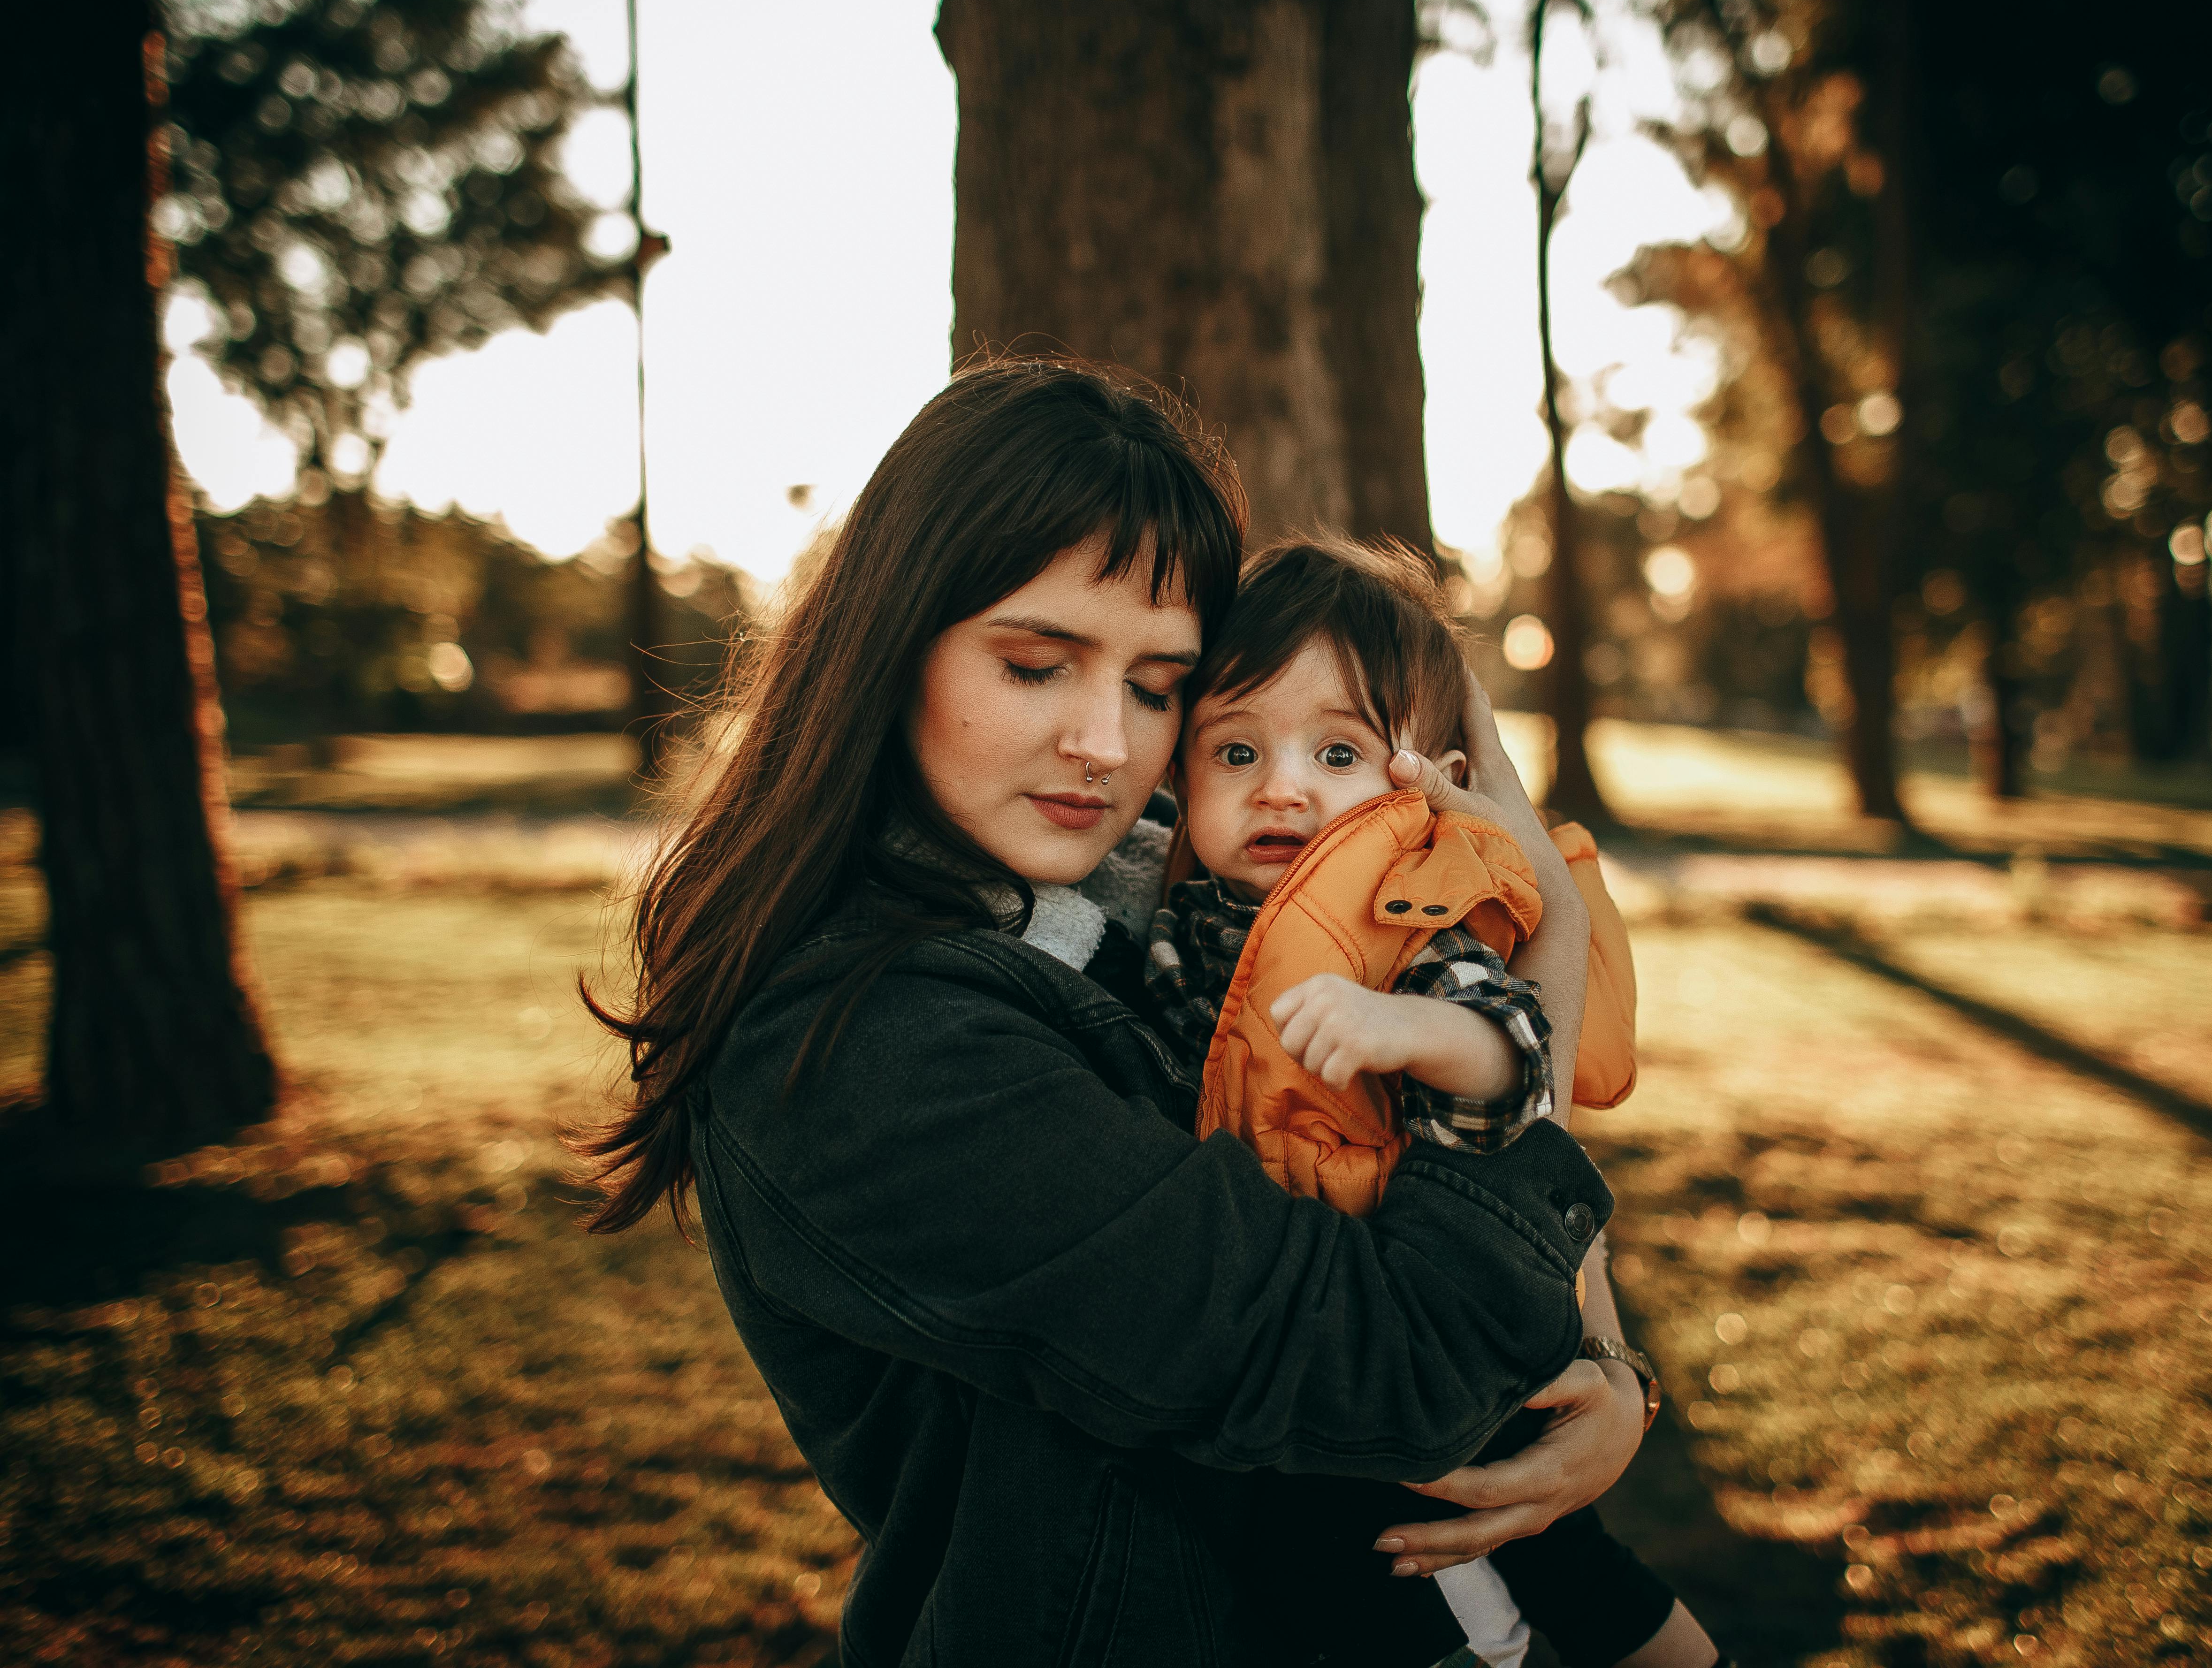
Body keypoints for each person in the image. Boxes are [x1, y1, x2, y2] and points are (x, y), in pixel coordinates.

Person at [578, 357, 1655, 1667]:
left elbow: (1393, 1163)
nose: (1106, 740)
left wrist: (1605, 1368)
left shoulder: (1143, 903)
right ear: (889, 644)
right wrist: (1546, 922)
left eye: (1157, 689)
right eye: (1038, 664)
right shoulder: (872, 1049)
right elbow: (1393, 1373)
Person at [1144, 540, 1716, 1668]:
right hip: (1307, 1340)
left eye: (1340, 751)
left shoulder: (1406, 931)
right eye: (1238, 750)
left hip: (1443, 1305)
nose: (1285, 785)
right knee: (1355, 1572)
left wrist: (1408, 1031)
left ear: (1425, 783)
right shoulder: (1185, 925)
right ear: (1180, 776)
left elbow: (1517, 1060)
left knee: (1567, 1565)